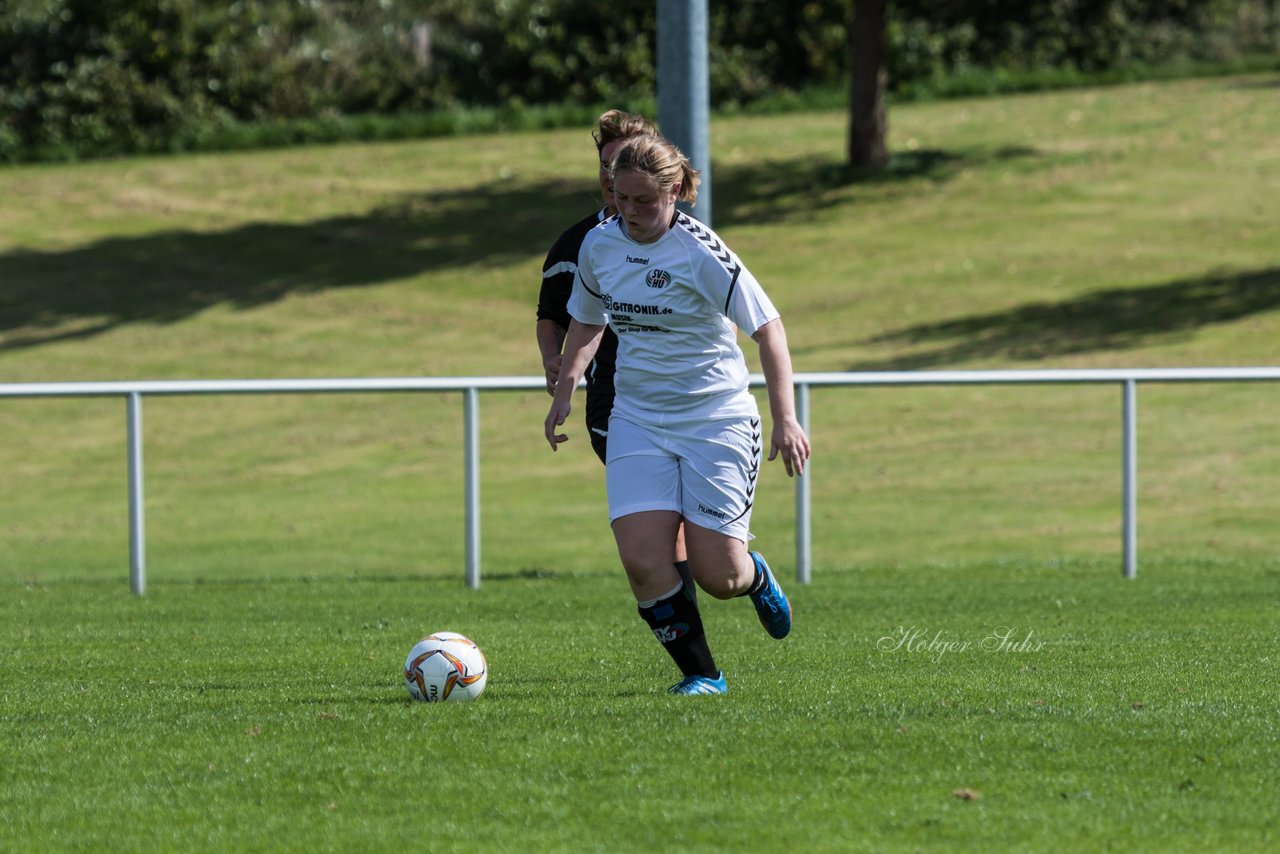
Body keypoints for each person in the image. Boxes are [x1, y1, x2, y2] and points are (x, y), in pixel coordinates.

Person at [544, 132, 810, 695]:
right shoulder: (598, 245)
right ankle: (702, 675)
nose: (631, 212)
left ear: (676, 192)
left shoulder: (700, 253)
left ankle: (754, 576)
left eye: (645, 200)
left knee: (720, 576)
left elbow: (769, 329)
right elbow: (588, 319)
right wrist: (566, 385)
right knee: (643, 561)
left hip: (715, 420)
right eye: (622, 198)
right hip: (638, 417)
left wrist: (786, 419)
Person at [535, 110, 700, 671]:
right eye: (607, 165)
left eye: (625, 163)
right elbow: (555, 314)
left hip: (688, 403)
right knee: (655, 540)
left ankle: (732, 581)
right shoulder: (581, 242)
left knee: (695, 550)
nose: (614, 176)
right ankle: (698, 667)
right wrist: (555, 366)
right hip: (615, 403)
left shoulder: (686, 239)